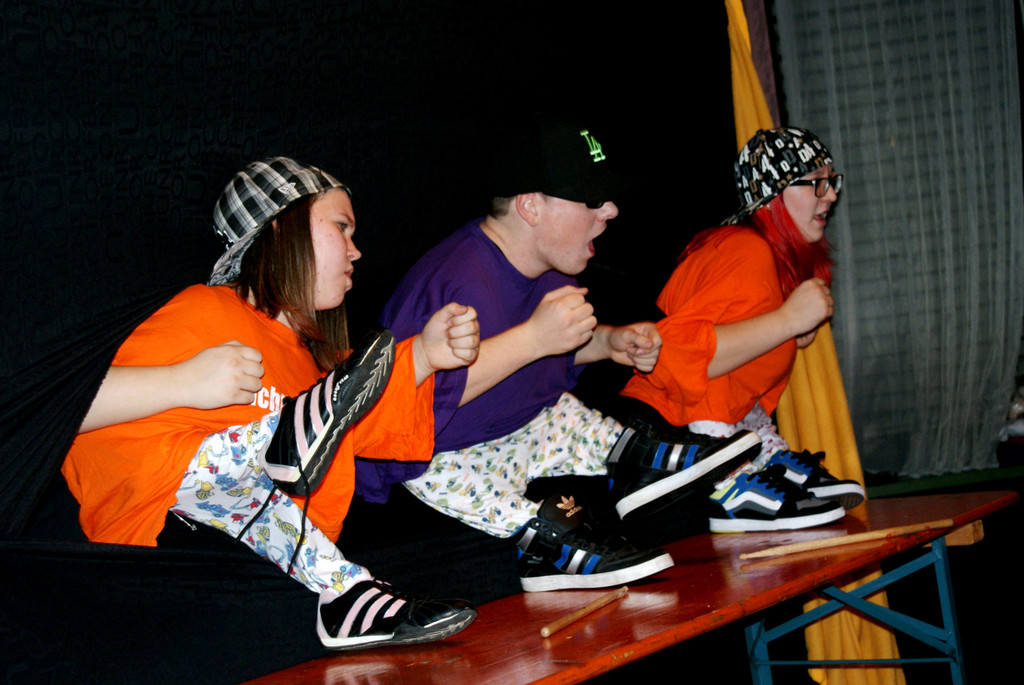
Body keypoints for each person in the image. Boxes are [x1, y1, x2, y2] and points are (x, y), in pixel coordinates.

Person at [64, 157, 481, 650]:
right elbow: (60, 412)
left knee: (295, 465)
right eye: (341, 227)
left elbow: (368, 415)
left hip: (260, 549)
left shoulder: (311, 363)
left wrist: (426, 356)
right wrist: (182, 381)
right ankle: (279, 439)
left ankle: (347, 594)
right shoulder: (204, 310)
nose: (356, 250)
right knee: (265, 459)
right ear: (283, 226)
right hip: (164, 532)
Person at [379, 122, 760, 593]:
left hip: (512, 428)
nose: (610, 210)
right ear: (530, 206)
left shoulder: (550, 264)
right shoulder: (459, 282)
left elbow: (546, 356)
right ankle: (549, 545)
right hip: (438, 452)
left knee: (564, 411)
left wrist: (607, 342)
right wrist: (534, 338)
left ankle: (636, 462)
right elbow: (409, 399)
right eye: (591, 199)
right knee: (436, 471)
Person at [621, 127, 866, 533]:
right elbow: (668, 353)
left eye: (832, 181)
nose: (831, 196)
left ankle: (762, 456)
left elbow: (735, 383)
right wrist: (787, 321)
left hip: (705, 441)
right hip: (668, 448)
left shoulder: (769, 259)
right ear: (774, 194)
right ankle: (736, 477)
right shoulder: (747, 250)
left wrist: (786, 329)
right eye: (817, 182)